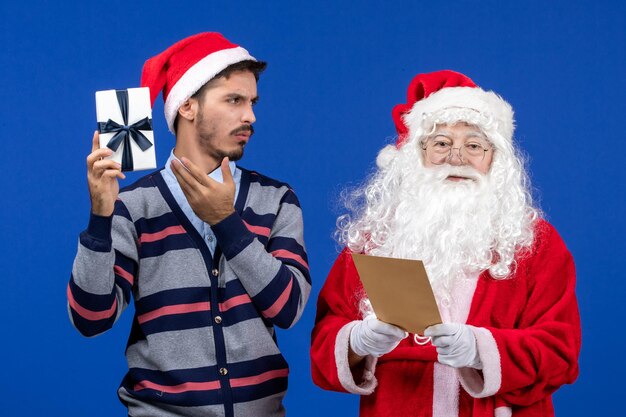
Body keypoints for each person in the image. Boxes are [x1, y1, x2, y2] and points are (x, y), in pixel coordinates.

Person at [310, 70, 580, 417]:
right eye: (441, 143)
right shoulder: (375, 238)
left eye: (473, 145)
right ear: (416, 154)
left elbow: (561, 351)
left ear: (494, 159)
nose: (456, 158)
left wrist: (481, 350)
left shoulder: (534, 241)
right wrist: (358, 341)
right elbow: (323, 342)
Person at [67, 32, 311, 417]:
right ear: (187, 107)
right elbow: (91, 319)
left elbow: (288, 307)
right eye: (234, 100)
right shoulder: (135, 206)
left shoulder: (276, 199)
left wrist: (227, 222)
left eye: (252, 102)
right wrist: (100, 217)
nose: (250, 116)